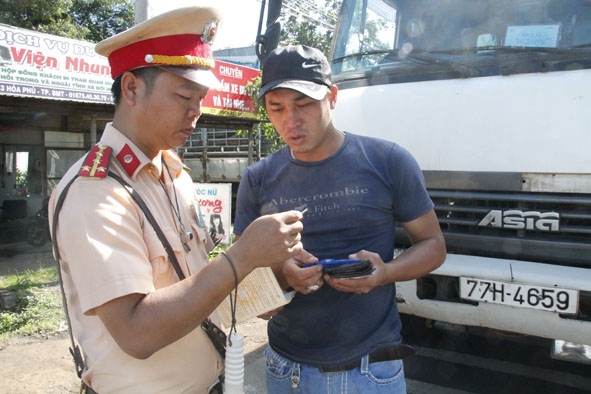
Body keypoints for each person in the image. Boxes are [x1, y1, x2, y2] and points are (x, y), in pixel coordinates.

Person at [48, 7, 305, 394]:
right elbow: (136, 333)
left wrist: (277, 276)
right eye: (185, 96)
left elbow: (195, 288)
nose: (196, 113)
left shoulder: (173, 172)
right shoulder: (96, 192)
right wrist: (244, 255)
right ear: (132, 88)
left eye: (201, 98)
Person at [233, 45, 447, 394]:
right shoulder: (258, 178)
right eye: (277, 108)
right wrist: (283, 276)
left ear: (332, 97)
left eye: (303, 104)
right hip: (285, 370)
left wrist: (385, 273)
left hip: (370, 371)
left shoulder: (387, 161)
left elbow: (434, 245)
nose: (291, 120)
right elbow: (243, 276)